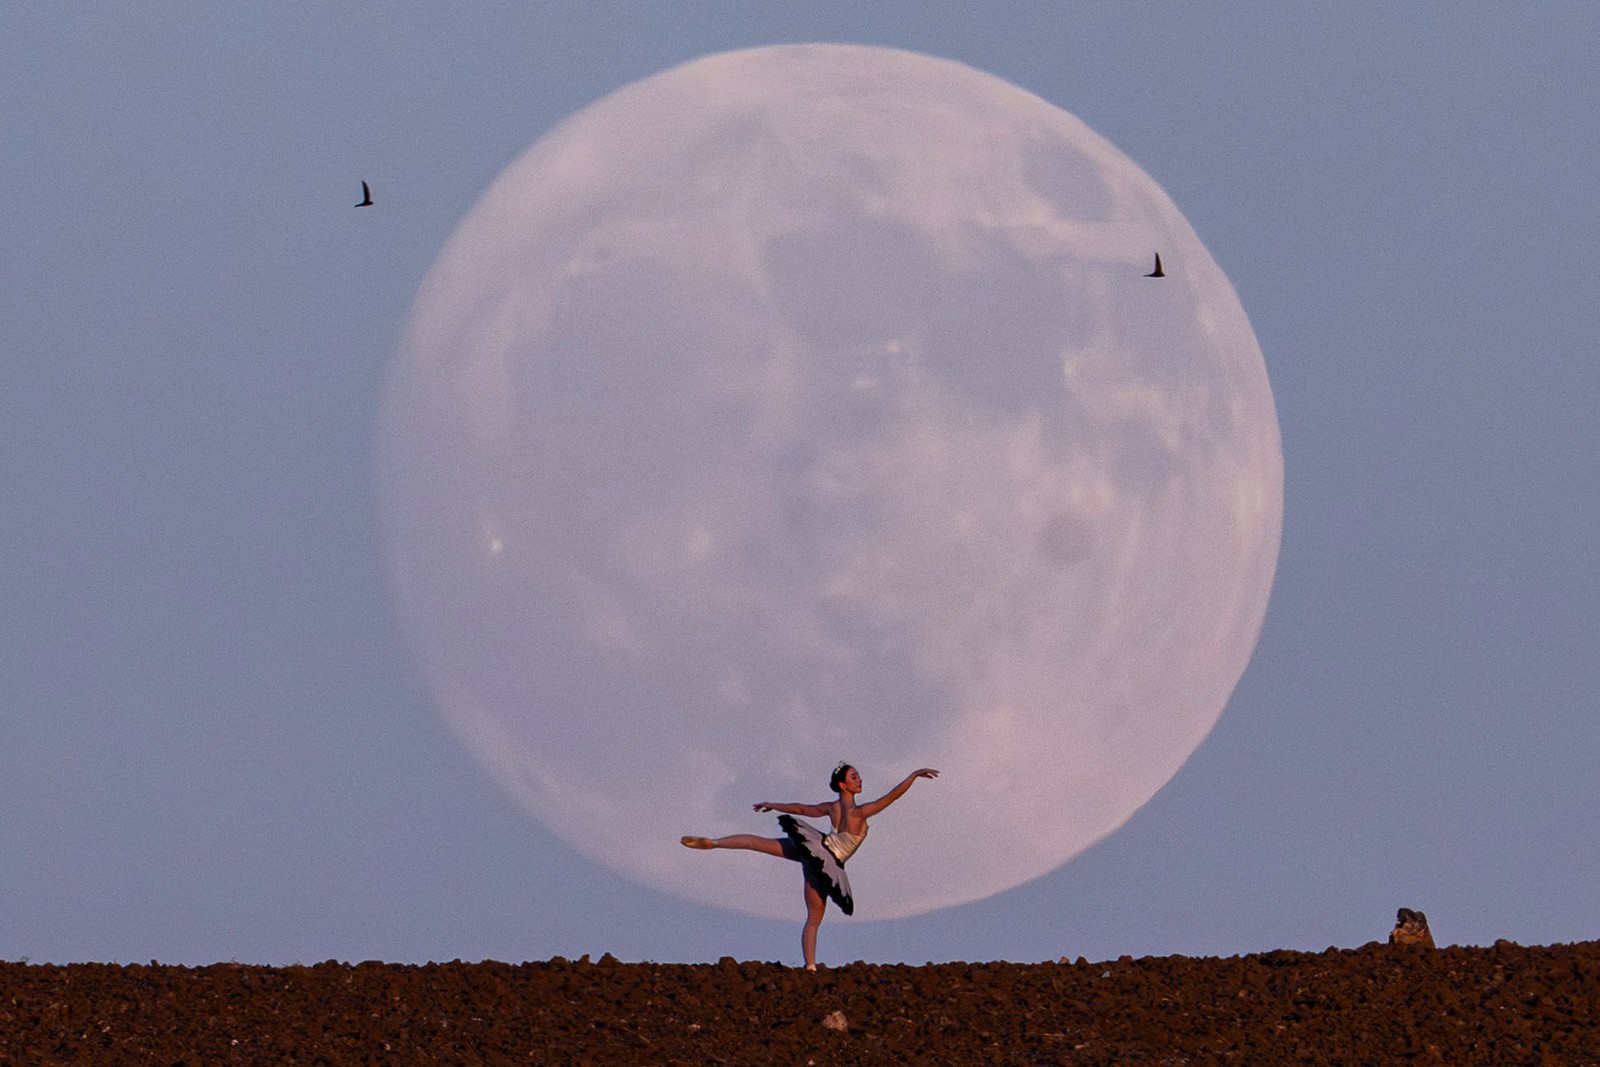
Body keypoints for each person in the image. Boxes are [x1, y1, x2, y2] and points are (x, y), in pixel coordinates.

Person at [682, 763, 939, 970]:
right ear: (843, 784)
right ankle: (810, 967)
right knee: (814, 920)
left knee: (760, 843)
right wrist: (913, 776)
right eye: (854, 777)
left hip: (814, 845)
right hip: (826, 862)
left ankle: (714, 842)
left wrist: (772, 805)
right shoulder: (860, 813)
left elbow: (801, 808)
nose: (859, 780)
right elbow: (892, 797)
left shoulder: (832, 807)